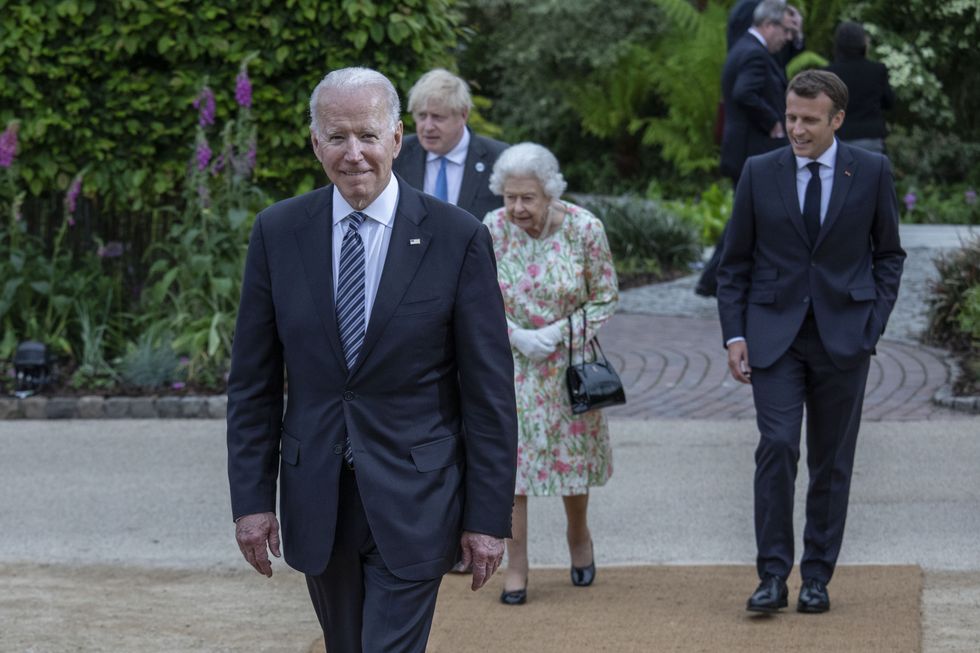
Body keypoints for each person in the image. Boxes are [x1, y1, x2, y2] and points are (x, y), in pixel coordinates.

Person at [226, 66, 518, 652]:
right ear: (315, 144)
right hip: (318, 498)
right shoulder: (279, 232)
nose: (353, 153)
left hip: (417, 497)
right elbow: (253, 385)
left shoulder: (456, 237)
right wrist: (252, 504)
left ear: (396, 138)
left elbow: (489, 394)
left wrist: (487, 518)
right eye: (336, 137)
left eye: (366, 135)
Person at [716, 70, 905, 614]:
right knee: (776, 447)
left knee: (831, 461)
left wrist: (873, 324)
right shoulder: (759, 171)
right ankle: (773, 575)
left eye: (808, 120)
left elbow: (889, 254)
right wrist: (735, 334)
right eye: (792, 117)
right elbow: (735, 264)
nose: (796, 128)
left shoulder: (870, 171)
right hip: (773, 337)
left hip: (845, 338)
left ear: (837, 120)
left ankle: (817, 576)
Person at [481, 142, 619, 605]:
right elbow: (475, 299)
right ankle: (515, 565)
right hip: (511, 363)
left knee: (570, 464)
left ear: (550, 194)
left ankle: (578, 535)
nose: (517, 208)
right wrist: (515, 335)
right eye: (509, 197)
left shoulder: (584, 228)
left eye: (528, 198)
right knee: (513, 470)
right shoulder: (492, 229)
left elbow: (605, 296)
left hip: (568, 364)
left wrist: (561, 331)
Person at [697, 0, 795, 298]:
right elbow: (744, 93)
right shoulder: (754, 53)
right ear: (769, 25)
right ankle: (713, 278)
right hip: (751, 150)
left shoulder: (744, 48)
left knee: (748, 216)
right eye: (784, 32)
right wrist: (773, 123)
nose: (786, 39)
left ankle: (718, 278)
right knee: (746, 217)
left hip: (745, 150)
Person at [393, 68, 507, 219]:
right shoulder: (396, 153)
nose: (427, 127)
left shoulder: (499, 158)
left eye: (437, 117)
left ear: (463, 115)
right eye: (421, 116)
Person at [825, 21, 895, 154]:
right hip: (870, 138)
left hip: (839, 138)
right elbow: (889, 102)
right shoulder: (877, 70)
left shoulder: (829, 73)